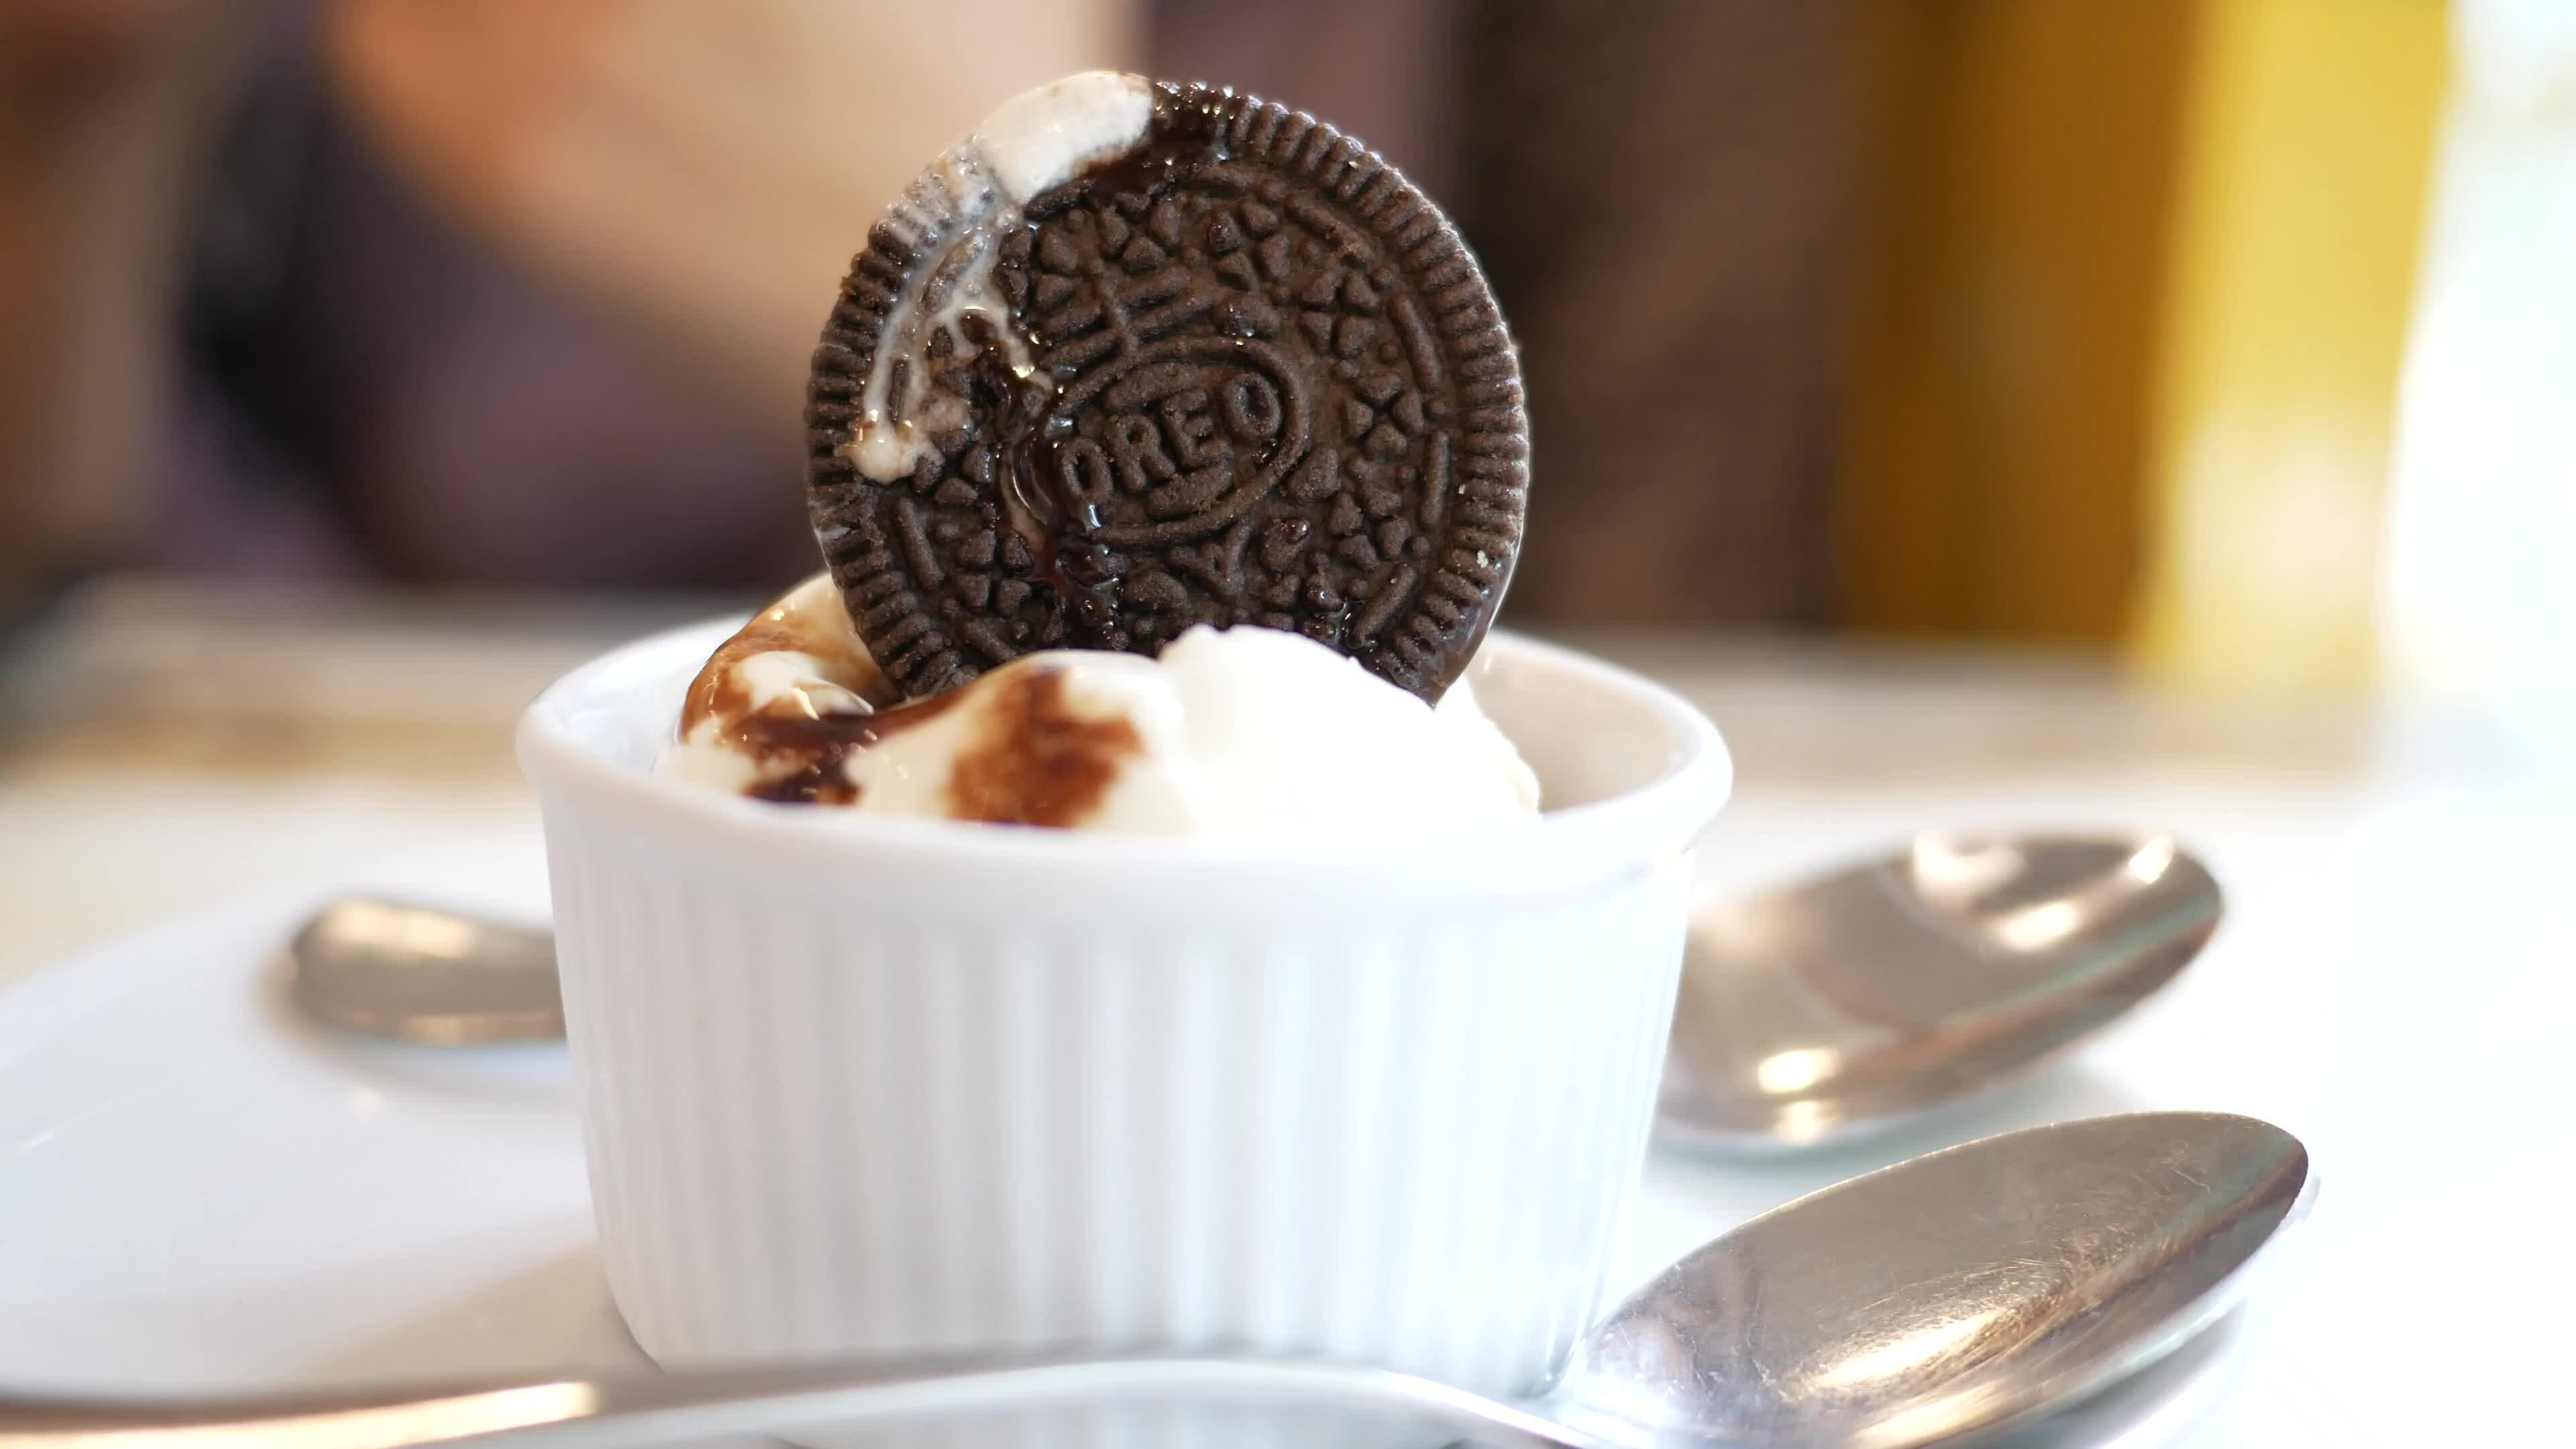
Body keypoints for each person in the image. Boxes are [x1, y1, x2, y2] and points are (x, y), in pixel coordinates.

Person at [0, 0, 1856, 627]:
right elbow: (113, 643)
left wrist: (1013, 288)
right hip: (382, 1005)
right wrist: (65, 130)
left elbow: (1656, 707)